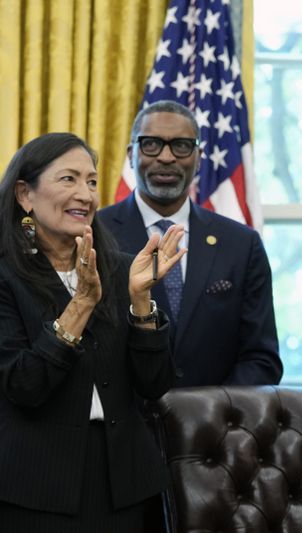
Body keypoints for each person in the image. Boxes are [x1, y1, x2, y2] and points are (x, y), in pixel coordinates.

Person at [0, 132, 185, 532]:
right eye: (68, 179)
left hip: (126, 483)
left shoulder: (121, 268)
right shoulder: (6, 275)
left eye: (91, 181)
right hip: (37, 486)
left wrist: (139, 301)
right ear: (24, 195)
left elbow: (154, 384)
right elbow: (24, 385)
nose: (85, 194)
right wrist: (82, 302)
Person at [98, 100, 282, 387]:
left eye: (181, 146)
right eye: (151, 144)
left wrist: (217, 414)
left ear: (199, 157)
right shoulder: (95, 235)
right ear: (131, 154)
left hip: (218, 423)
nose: (167, 157)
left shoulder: (242, 244)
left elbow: (261, 359)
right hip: (123, 424)